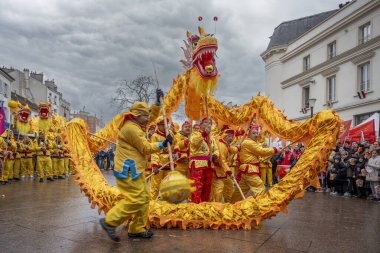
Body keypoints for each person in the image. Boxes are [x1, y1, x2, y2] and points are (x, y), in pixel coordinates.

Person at [100, 89, 173, 241]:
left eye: (147, 115)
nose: (148, 118)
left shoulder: (137, 124)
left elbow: (151, 116)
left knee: (145, 198)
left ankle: (136, 228)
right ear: (137, 116)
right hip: (127, 170)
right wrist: (163, 144)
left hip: (135, 170)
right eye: (144, 115)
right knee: (137, 200)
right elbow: (146, 148)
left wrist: (158, 104)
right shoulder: (132, 129)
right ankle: (110, 222)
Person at [231, 127, 278, 203]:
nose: (256, 135)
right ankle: (258, 206)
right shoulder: (249, 143)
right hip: (250, 170)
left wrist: (264, 157)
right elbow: (261, 151)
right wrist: (274, 149)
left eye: (257, 133)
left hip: (247, 170)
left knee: (240, 191)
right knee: (260, 187)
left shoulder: (250, 142)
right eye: (253, 133)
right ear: (248, 134)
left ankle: (232, 204)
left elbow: (255, 155)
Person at [189, 117, 218, 203]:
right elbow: (195, 142)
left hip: (208, 164)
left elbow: (216, 149)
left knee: (207, 186)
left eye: (210, 123)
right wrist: (204, 133)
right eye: (205, 123)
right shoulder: (195, 134)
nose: (208, 125)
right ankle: (196, 206)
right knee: (197, 187)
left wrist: (215, 155)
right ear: (201, 125)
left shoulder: (211, 138)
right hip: (197, 164)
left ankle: (205, 205)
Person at [150, 116, 175, 200]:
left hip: (169, 164)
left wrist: (174, 155)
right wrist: (155, 165)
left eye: (165, 124)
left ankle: (164, 205)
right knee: (155, 187)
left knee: (167, 187)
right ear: (158, 125)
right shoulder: (155, 136)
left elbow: (175, 146)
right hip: (159, 166)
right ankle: (151, 204)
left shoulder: (170, 133)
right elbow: (154, 151)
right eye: (162, 124)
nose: (164, 126)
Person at [210, 128, 235, 203]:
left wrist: (237, 148)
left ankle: (229, 203)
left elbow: (231, 149)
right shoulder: (221, 145)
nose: (231, 138)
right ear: (224, 137)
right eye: (229, 136)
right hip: (218, 171)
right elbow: (222, 161)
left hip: (224, 172)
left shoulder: (226, 145)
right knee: (219, 189)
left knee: (229, 186)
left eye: (232, 136)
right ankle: (217, 206)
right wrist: (229, 172)